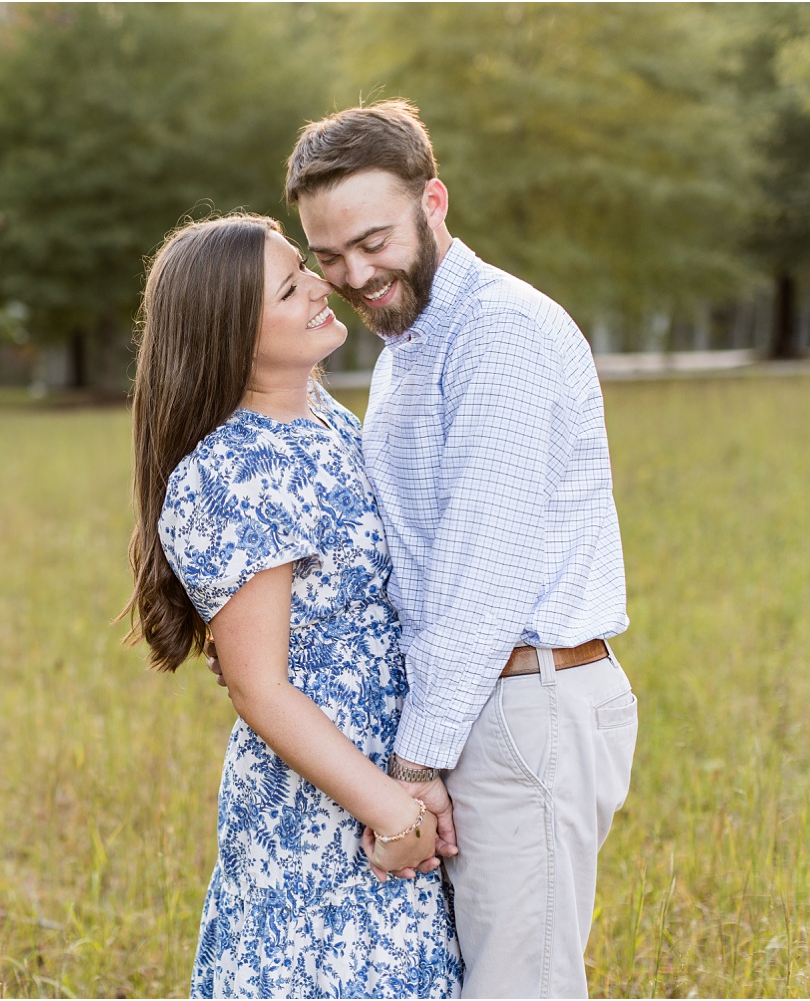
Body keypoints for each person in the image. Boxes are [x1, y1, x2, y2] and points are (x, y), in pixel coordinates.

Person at [211, 99, 638, 997]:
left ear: (433, 202)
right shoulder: (411, 335)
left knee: (519, 987)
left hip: (529, 702)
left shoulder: (500, 335)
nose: (356, 274)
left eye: (374, 240)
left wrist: (413, 771)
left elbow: (481, 579)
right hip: (476, 705)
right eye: (327, 256)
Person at [123, 213, 464, 998]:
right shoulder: (235, 466)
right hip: (323, 807)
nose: (322, 284)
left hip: (382, 771)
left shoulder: (321, 419)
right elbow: (259, 686)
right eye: (290, 286)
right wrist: (388, 809)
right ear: (233, 333)